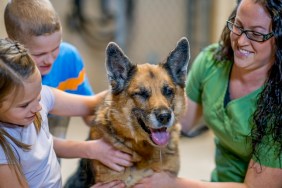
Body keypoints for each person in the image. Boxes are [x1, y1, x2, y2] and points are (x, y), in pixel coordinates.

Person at [134, 0, 282, 187]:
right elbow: (179, 123)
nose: (241, 41)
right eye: (238, 26)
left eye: (256, 34)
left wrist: (173, 183)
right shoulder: (212, 62)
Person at [0, 38, 131, 188]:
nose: (38, 108)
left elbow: (92, 103)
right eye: (24, 105)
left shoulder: (35, 99)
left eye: (39, 94)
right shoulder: (2, 154)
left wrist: (134, 84)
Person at [4, 0, 94, 140]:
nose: (50, 60)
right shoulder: (6, 73)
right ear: (13, 45)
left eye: (56, 48)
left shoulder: (69, 59)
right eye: (39, 54)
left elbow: (90, 111)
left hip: (55, 142)